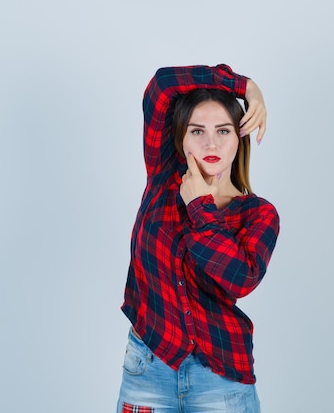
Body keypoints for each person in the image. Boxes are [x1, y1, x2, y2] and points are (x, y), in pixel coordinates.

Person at [117, 64, 280, 413]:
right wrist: (245, 86)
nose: (210, 143)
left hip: (220, 379)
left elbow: (239, 279)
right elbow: (162, 84)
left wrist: (199, 207)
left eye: (223, 131)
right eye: (197, 131)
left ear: (240, 137)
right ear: (180, 138)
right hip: (147, 369)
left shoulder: (258, 214)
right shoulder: (162, 176)